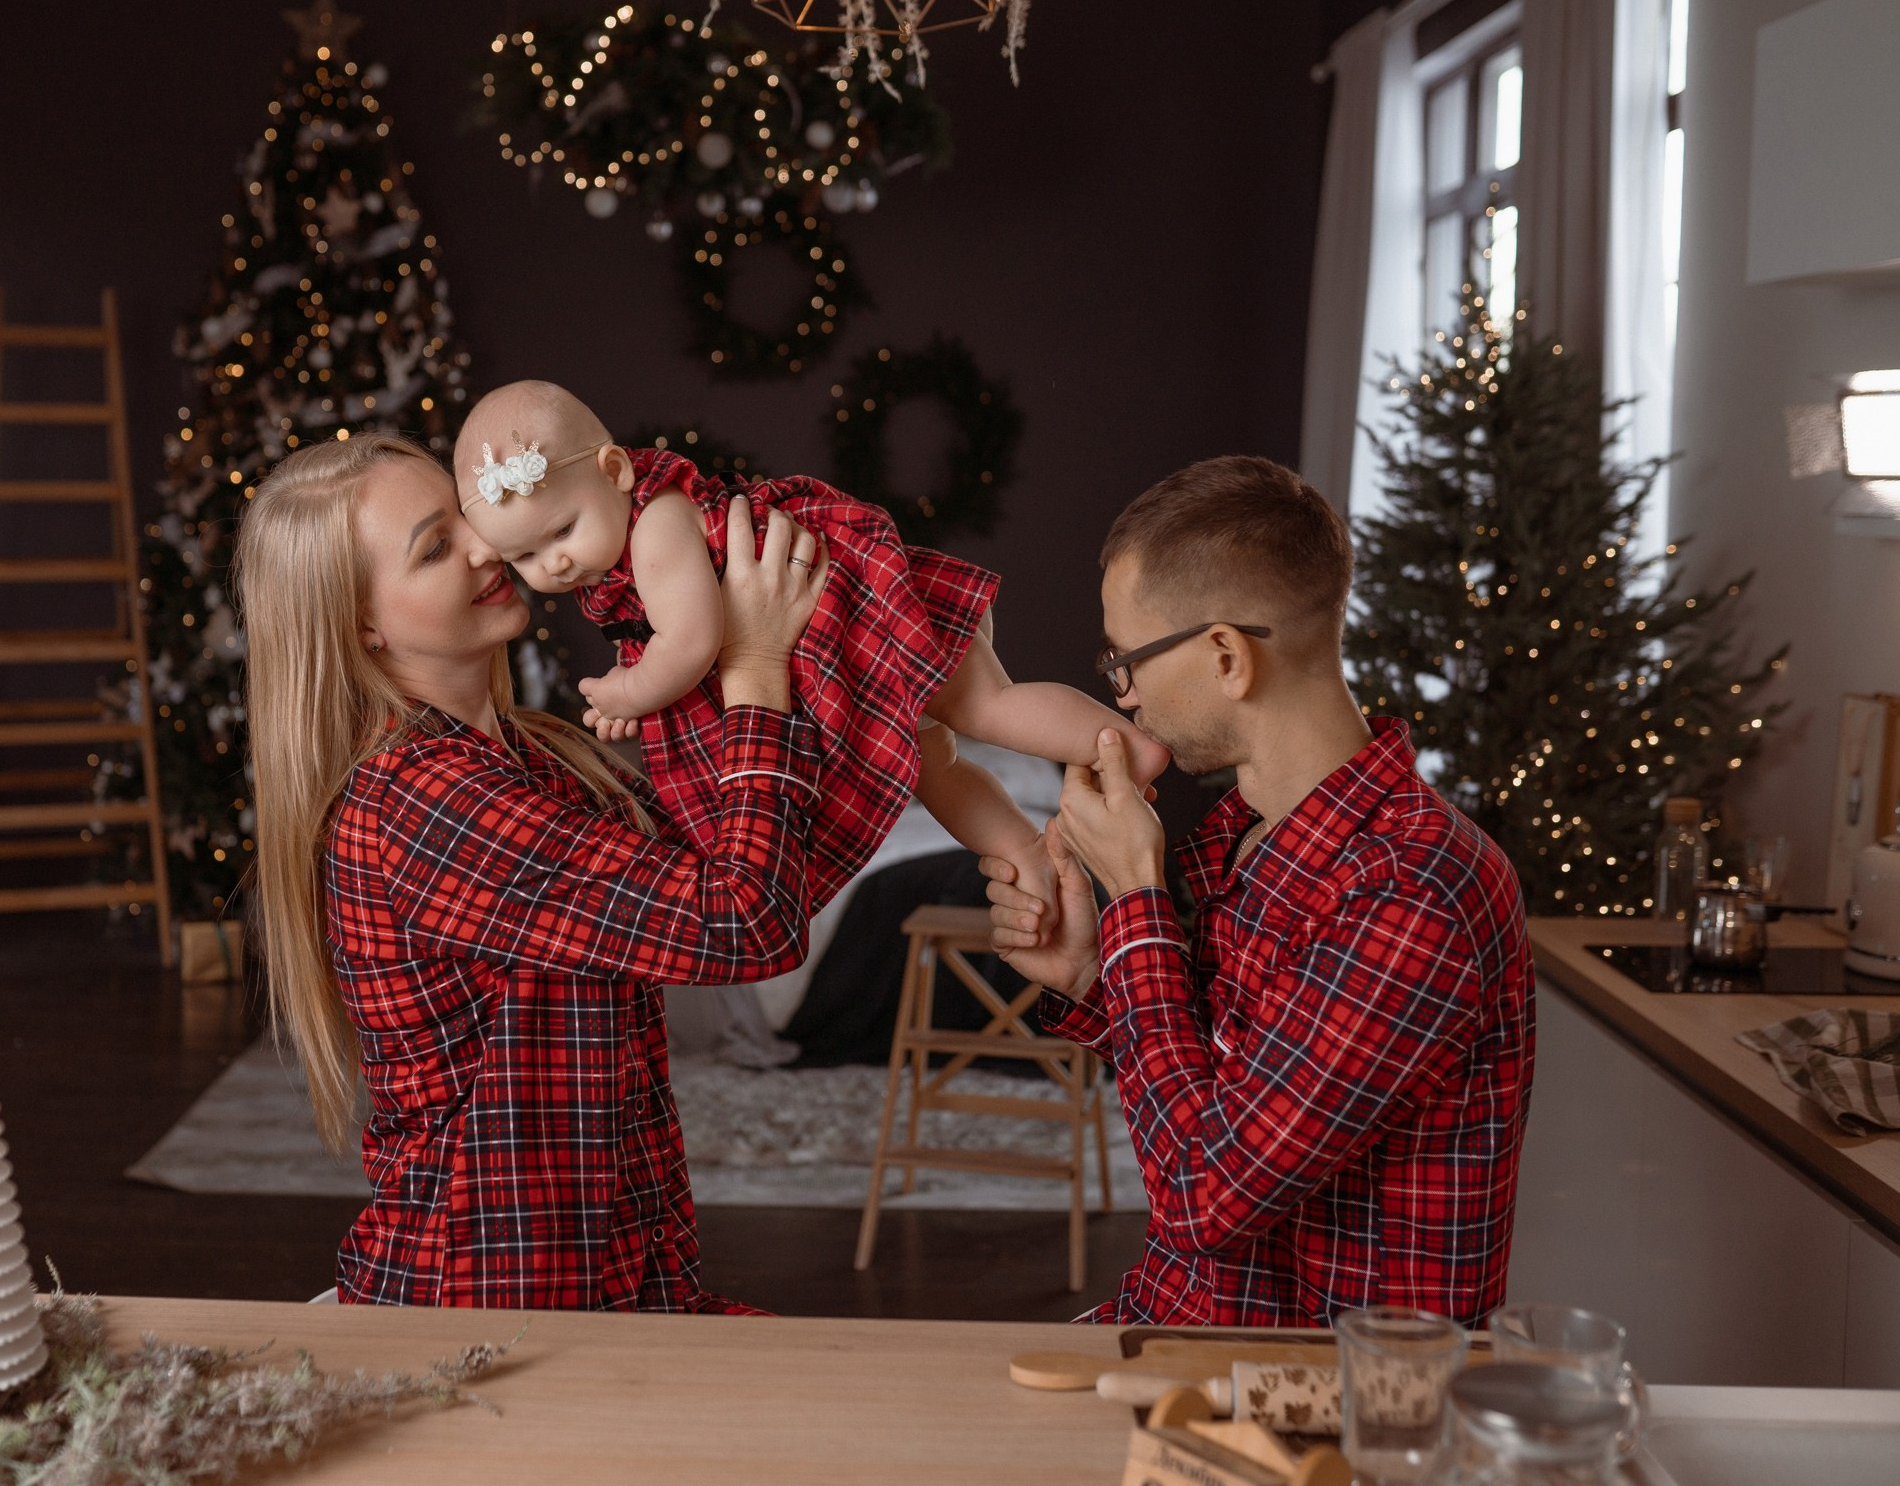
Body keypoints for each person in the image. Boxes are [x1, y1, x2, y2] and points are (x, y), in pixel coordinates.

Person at [237, 431, 829, 1310]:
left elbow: (750, 858)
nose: (487, 545)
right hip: (488, 1311)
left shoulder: (538, 758)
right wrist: (752, 664)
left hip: (616, 1282)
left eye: (466, 517)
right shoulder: (426, 803)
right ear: (364, 623)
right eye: (436, 547)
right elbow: (743, 921)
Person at [983, 455, 1534, 1327]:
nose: (1119, 695)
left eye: (1125, 660)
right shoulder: (1243, 837)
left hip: (1322, 1406)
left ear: (1227, 656)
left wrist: (1134, 894)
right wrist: (1095, 974)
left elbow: (1207, 1195)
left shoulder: (1414, 888)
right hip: (1178, 1332)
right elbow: (1219, 1090)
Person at [451, 379, 1169, 923]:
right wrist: (638, 682)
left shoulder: (655, 526)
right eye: (525, 557)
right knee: (933, 765)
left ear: (615, 471)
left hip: (866, 624)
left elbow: (695, 640)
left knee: (987, 705)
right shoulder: (619, 553)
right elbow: (676, 636)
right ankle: (1025, 854)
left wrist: (632, 692)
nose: (553, 565)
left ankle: (1124, 747)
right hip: (837, 652)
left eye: (561, 532)